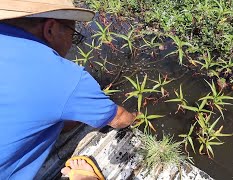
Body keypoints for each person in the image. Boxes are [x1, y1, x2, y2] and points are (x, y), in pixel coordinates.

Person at [0, 0, 136, 179]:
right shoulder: (64, 77)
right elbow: (119, 119)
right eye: (74, 35)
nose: (72, 43)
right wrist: (137, 116)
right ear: (50, 29)